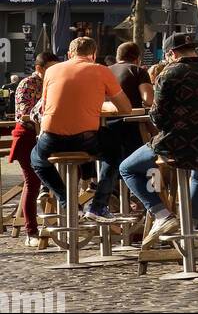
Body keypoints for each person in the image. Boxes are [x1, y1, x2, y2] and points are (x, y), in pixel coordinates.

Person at [119, 31, 198, 247]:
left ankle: (163, 215)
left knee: (127, 167)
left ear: (172, 53)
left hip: (176, 146)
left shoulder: (169, 73)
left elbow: (158, 117)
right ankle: (191, 228)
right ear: (195, 48)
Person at [30, 37, 131, 222]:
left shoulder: (51, 71)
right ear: (93, 55)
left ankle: (66, 201)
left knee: (37, 159)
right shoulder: (101, 70)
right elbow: (126, 108)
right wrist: (101, 105)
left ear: (69, 54)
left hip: (51, 138)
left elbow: (46, 107)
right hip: (85, 138)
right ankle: (98, 206)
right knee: (115, 152)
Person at [7, 54, 58, 246]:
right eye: (50, 67)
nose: (54, 71)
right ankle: (31, 232)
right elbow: (23, 115)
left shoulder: (56, 82)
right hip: (28, 139)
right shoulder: (28, 83)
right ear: (39, 68)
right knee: (32, 182)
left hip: (49, 137)